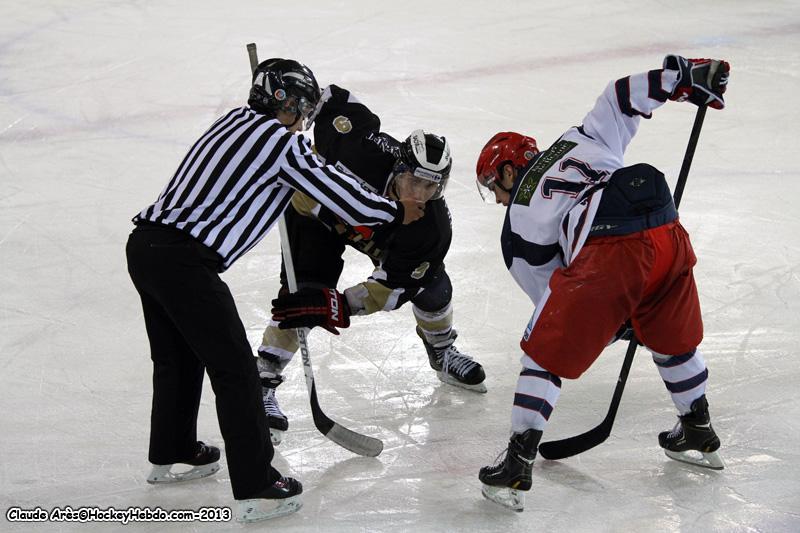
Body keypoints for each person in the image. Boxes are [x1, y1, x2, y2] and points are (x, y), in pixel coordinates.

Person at [125, 58, 425, 522]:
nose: (306, 118)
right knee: (236, 373)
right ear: (284, 101)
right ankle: (258, 486)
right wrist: (393, 211)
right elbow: (337, 192)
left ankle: (173, 451)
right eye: (302, 106)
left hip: (146, 248)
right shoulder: (279, 143)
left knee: (177, 359)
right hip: (184, 262)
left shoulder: (233, 122)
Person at [473, 55, 730, 511]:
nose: (496, 198)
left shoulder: (517, 223)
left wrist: (613, 321)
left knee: (542, 352)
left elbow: (555, 302)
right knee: (671, 340)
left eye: (494, 184)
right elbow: (619, 96)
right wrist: (681, 80)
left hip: (610, 245)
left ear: (510, 171)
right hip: (664, 224)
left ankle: (516, 463)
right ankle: (697, 428)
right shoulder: (581, 138)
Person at [260, 84, 486, 444]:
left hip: (378, 238)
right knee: (301, 296)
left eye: (432, 187)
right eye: (414, 182)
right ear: (399, 168)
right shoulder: (359, 146)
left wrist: (338, 305)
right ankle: (264, 381)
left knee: (432, 284)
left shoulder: (431, 230)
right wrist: (283, 105)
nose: (420, 195)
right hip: (315, 216)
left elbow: (392, 287)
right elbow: (329, 97)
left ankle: (441, 351)